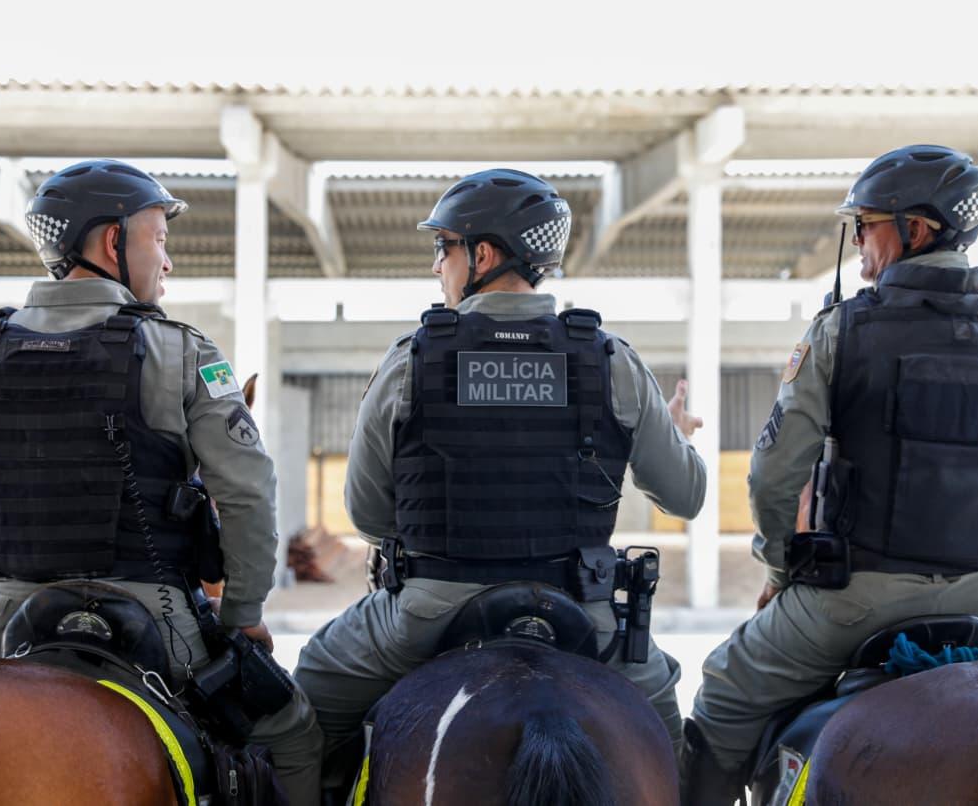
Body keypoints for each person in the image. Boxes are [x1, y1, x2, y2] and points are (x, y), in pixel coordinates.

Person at [682, 144, 978, 804]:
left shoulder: (840, 331)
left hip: (852, 599)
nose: (861, 245)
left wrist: (782, 571)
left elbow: (774, 477)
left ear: (916, 229)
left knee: (726, 685)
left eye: (866, 225)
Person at [294, 168, 708, 785]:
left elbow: (367, 513)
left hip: (429, 610)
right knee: (671, 740)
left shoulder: (412, 358)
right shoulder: (611, 360)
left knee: (312, 687)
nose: (438, 266)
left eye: (445, 248)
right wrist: (670, 434)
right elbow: (688, 495)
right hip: (583, 610)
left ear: (483, 254)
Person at [0, 159, 323, 805]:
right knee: (295, 731)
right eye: (159, 239)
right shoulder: (182, 353)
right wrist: (244, 614)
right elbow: (250, 492)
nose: (166, 261)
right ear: (113, 242)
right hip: (153, 623)